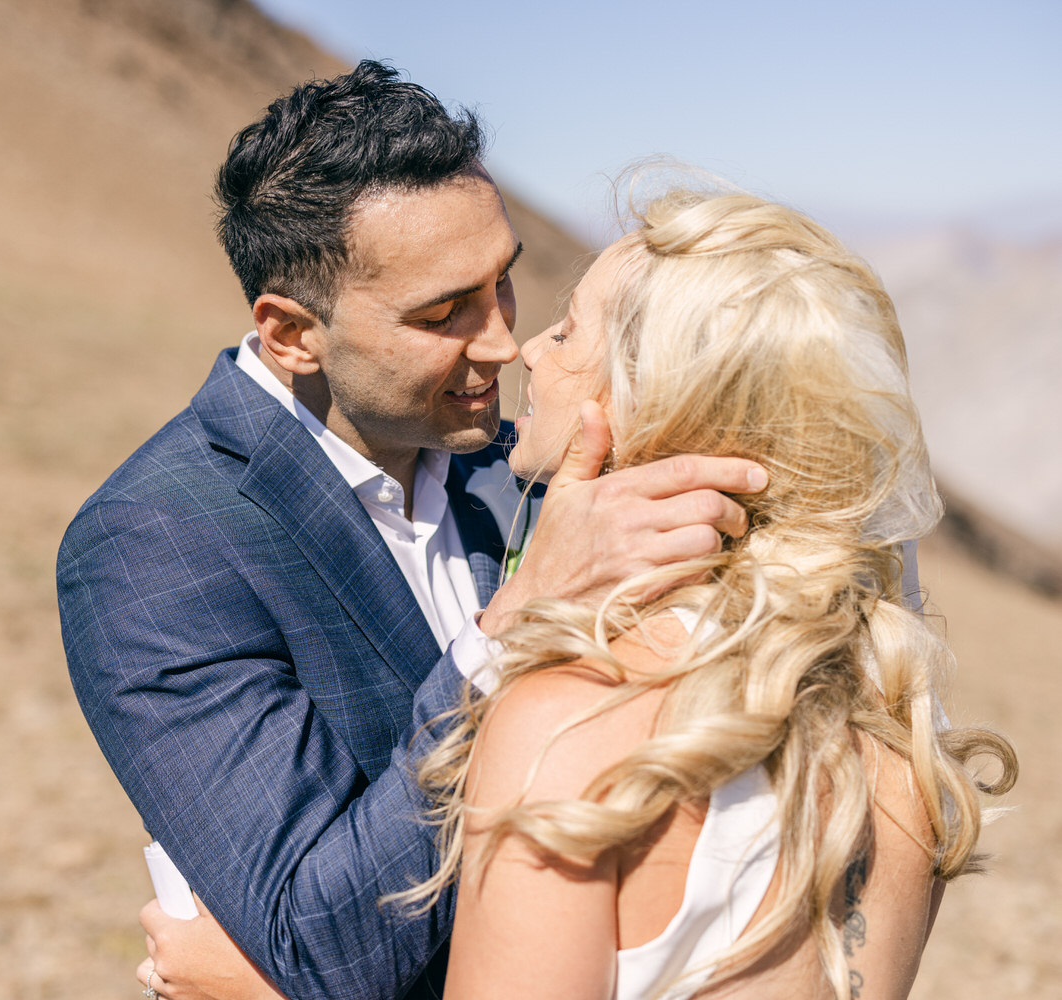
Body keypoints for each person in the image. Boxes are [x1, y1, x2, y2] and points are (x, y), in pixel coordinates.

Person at [56, 63, 768, 1000]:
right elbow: (322, 940)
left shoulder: (515, 460)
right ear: (290, 334)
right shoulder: (155, 547)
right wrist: (517, 619)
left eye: (502, 284)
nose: (502, 342)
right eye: (443, 314)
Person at [401, 188, 1018, 999]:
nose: (530, 351)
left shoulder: (569, 724)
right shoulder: (898, 721)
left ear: (647, 402)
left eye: (572, 328)